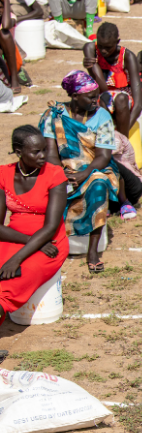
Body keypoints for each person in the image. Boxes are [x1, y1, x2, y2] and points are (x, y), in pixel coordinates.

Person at [38, 71, 125, 274]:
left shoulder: (102, 116)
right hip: (60, 168)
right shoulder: (55, 115)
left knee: (99, 184)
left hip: (93, 167)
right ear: (75, 96)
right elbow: (50, 153)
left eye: (96, 96)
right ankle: (54, 240)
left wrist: (84, 173)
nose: (96, 100)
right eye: (91, 97)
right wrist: (62, 174)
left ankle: (92, 251)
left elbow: (103, 156)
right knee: (50, 188)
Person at [0, 126, 68, 322]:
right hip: (16, 238)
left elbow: (50, 228)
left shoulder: (55, 175)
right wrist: (27, 241)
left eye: (44, 150)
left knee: (11, 281)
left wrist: (17, 259)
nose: (43, 156)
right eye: (36, 151)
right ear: (19, 152)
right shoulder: (3, 175)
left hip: (50, 244)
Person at [84, 22, 142, 139]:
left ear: (117, 42)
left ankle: (119, 143)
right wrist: (91, 69)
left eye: (108, 47)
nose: (103, 51)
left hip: (123, 103)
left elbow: (138, 104)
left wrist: (120, 136)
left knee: (119, 99)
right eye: (100, 46)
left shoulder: (128, 57)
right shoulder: (91, 49)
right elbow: (103, 89)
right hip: (102, 97)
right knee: (99, 99)